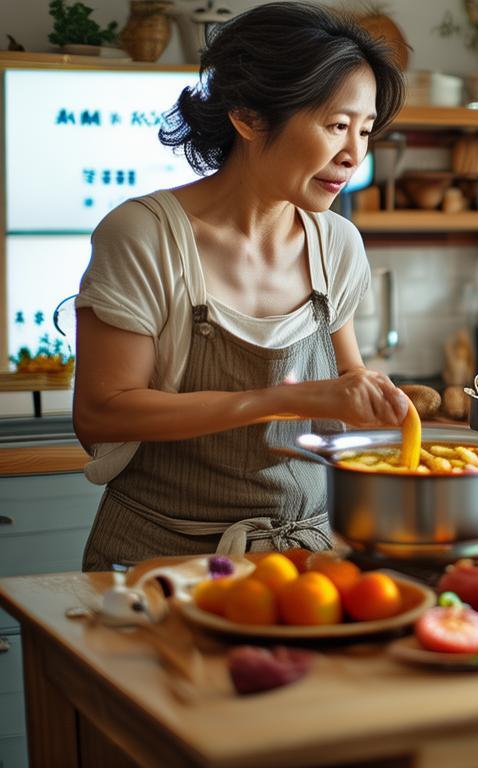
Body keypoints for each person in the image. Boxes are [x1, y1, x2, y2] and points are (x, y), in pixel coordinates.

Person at [73, 2, 408, 571]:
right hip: (158, 563)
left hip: (302, 562)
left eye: (365, 131)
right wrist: (284, 400)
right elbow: (102, 414)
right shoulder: (146, 235)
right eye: (336, 126)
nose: (354, 155)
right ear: (249, 117)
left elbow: (345, 390)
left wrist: (379, 406)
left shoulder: (337, 244)